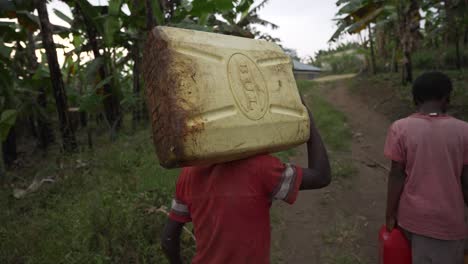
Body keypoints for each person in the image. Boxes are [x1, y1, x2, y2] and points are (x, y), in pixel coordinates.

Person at [161, 99, 331, 264]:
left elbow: (168, 241)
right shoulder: (262, 168)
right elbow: (321, 176)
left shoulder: (188, 175)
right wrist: (309, 121)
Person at [384, 72, 468, 264]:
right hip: (448, 223)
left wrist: (389, 214)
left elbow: (396, 176)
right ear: (447, 98)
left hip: (410, 220)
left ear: (415, 99)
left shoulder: (400, 128)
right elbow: (466, 182)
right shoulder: (464, 131)